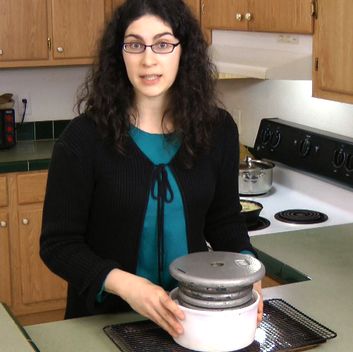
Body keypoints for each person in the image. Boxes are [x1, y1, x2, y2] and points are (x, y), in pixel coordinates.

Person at [40, 0, 263, 338]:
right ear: (120, 53)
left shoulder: (217, 131)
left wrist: (250, 273)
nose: (148, 59)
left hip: (193, 320)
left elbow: (225, 221)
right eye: (134, 44)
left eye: (162, 43)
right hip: (103, 323)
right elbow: (58, 245)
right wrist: (129, 287)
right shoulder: (83, 139)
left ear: (183, 50)